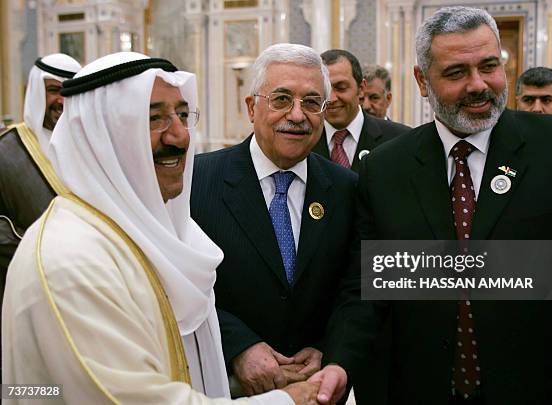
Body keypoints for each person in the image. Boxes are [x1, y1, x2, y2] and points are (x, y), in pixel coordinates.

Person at [312, 6, 552, 405]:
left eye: (489, 66)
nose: (478, 85)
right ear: (422, 80)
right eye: (456, 73)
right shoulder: (385, 170)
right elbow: (369, 289)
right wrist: (340, 362)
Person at [2, 51, 318, 405]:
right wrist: (288, 401)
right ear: (104, 136)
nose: (180, 136)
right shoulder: (72, 259)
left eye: (182, 115)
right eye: (154, 119)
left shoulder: (157, 232)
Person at [190, 43, 356, 402]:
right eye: (281, 99)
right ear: (252, 107)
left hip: (319, 390)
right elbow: (181, 284)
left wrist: (330, 349)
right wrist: (239, 346)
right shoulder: (198, 182)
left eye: (312, 103)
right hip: (227, 389)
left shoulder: (346, 188)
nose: (297, 115)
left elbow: (354, 288)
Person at [0, 53, 81, 284]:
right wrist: (41, 250)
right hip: (28, 285)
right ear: (36, 92)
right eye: (54, 90)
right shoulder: (6, 151)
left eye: (70, 91)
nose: (62, 100)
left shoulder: (90, 146)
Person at [312, 49, 411, 172]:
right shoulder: (303, 141)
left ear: (361, 89)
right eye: (324, 89)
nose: (331, 99)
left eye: (341, 88)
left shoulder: (401, 140)